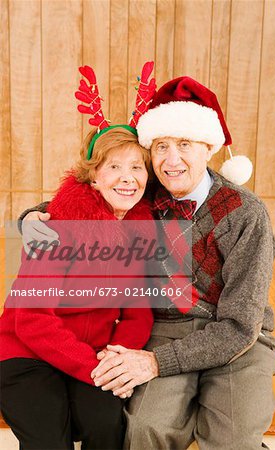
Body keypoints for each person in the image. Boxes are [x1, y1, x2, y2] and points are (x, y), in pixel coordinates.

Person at [16, 76, 275, 450]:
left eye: (184, 144)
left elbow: (240, 325)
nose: (171, 160)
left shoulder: (245, 213)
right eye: (161, 147)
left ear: (208, 148)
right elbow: (91, 198)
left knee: (233, 437)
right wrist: (33, 216)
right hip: (167, 329)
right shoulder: (146, 193)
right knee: (143, 428)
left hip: (238, 339)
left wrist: (156, 364)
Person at [0, 123, 155, 450]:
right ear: (94, 176)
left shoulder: (140, 230)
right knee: (49, 439)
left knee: (106, 423)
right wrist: (96, 370)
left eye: (136, 167)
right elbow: (32, 321)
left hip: (94, 355)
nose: (127, 177)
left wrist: (116, 360)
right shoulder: (54, 228)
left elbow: (137, 315)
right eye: (114, 166)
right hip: (27, 355)